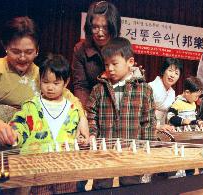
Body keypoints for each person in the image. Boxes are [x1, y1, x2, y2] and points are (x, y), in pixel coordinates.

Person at [0, 16, 86, 159]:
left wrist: (82, 118)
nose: (22, 57)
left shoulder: (41, 74)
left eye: (29, 52)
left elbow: (69, 98)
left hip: (29, 147)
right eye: (16, 51)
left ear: (37, 50)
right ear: (6, 47)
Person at [9, 53, 89, 194]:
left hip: (66, 168)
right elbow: (20, 124)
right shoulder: (31, 106)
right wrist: (14, 133)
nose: (50, 87)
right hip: (38, 168)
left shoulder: (73, 109)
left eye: (56, 83)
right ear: (39, 80)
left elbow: (78, 134)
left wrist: (81, 139)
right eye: (45, 82)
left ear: (66, 82)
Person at [86, 37, 156, 189]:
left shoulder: (144, 89)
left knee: (131, 185)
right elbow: (91, 114)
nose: (109, 68)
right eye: (106, 64)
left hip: (132, 150)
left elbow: (149, 121)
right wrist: (92, 133)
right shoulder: (99, 89)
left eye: (114, 63)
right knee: (101, 185)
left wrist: (147, 147)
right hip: (104, 150)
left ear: (130, 62)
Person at [71, 1, 121, 107]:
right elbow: (81, 86)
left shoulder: (122, 48)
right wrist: (86, 113)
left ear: (113, 27)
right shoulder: (80, 49)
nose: (100, 33)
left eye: (105, 27)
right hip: (88, 105)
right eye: (95, 27)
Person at [148, 58, 182, 131]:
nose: (172, 75)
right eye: (170, 70)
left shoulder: (172, 93)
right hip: (149, 126)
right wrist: (157, 126)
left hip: (164, 127)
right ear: (163, 71)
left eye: (176, 73)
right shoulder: (150, 87)